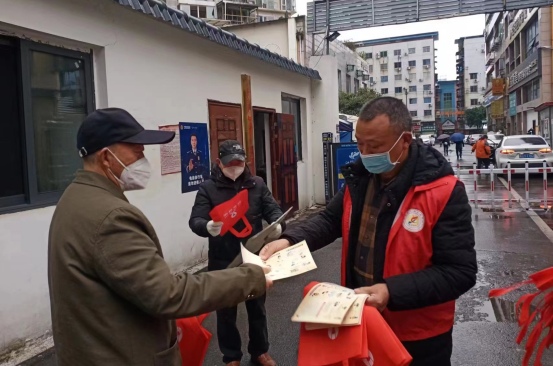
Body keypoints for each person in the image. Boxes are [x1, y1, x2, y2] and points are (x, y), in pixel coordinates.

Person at [261, 98, 477, 366]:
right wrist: (289, 240)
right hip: (359, 321)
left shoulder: (443, 191)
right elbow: (330, 219)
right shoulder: (360, 179)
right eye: (359, 144)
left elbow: (459, 272)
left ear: (405, 140)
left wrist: (391, 291)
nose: (364, 154)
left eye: (374, 146)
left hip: (417, 336)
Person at [48, 108, 270, 366]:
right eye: (137, 151)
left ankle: (259, 351)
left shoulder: (75, 198)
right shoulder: (111, 217)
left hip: (95, 348)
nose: (144, 159)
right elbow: (167, 295)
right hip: (120, 355)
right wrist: (250, 278)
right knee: (226, 318)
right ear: (107, 157)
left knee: (257, 314)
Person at [190, 140, 283, 366]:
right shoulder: (208, 188)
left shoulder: (257, 184)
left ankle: (260, 351)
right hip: (223, 259)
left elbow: (273, 210)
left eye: (238, 163)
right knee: (225, 312)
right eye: (229, 163)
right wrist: (207, 226)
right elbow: (196, 219)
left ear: (245, 162)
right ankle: (231, 356)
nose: (234, 167)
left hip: (253, 257)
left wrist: (278, 225)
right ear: (219, 163)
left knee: (257, 308)